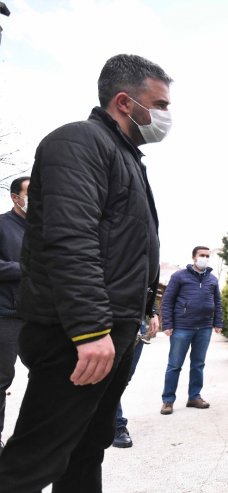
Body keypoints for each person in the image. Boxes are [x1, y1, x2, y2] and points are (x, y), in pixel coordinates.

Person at [0, 54, 171, 492]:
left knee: (86, 447)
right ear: (124, 102)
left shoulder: (125, 156)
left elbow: (129, 249)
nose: (165, 116)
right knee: (33, 460)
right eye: (160, 104)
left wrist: (146, 308)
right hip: (75, 338)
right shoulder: (78, 143)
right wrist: (89, 330)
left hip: (112, 331)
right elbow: (70, 241)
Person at [159, 246, 223, 415]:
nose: (205, 258)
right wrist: (167, 324)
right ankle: (168, 400)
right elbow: (167, 301)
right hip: (182, 327)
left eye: (207, 256)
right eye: (202, 255)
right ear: (194, 257)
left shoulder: (212, 279)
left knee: (198, 364)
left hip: (204, 328)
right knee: (174, 365)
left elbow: (217, 302)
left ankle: (194, 397)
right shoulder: (179, 276)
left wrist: (218, 322)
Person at [0, 175, 30, 452]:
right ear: (15, 197)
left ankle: (39, 435)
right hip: (7, 315)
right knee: (1, 380)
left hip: (41, 315)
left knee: (50, 375)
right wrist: (26, 268)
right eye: (31, 192)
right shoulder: (2, 225)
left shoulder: (46, 228)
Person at [112, 312, 159, 448]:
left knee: (123, 379)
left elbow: (148, 290)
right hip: (113, 318)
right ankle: (117, 425)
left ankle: (106, 418)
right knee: (112, 379)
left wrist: (153, 312)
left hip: (138, 324)